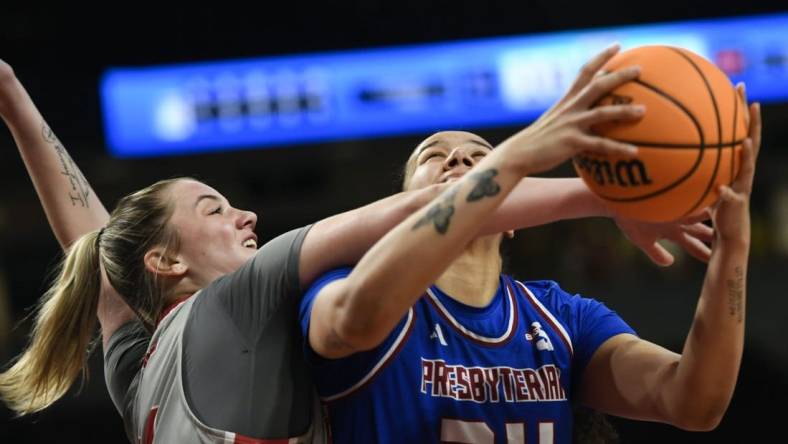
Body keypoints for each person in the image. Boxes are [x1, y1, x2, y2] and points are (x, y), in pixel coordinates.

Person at [0, 45, 709, 443]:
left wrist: (15, 102)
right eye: (215, 207)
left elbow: (91, 242)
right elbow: (434, 203)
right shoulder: (244, 297)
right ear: (167, 261)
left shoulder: (137, 358)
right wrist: (601, 190)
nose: (248, 215)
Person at [299, 101, 760, 441]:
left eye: (481, 157)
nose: (459, 160)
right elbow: (353, 321)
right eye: (432, 157)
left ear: (517, 219)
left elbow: (694, 401)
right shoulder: (342, 287)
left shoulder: (564, 318)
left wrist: (733, 248)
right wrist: (516, 159)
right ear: (397, 213)